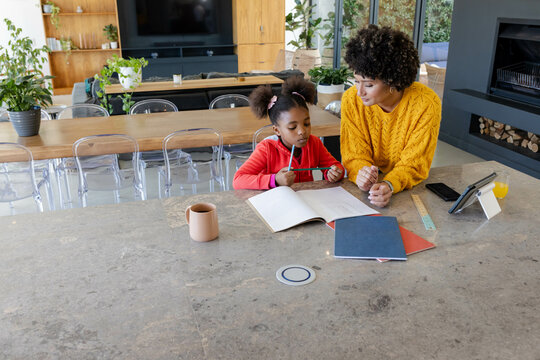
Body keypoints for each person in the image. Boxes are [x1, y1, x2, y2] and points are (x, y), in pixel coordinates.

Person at [340, 25, 442, 207]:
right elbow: (354, 155)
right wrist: (362, 174)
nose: (359, 92)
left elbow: (414, 163)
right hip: (366, 194)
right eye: (356, 81)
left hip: (407, 190)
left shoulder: (425, 103)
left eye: (368, 85)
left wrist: (389, 184)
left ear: (393, 81)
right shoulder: (351, 101)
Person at [233, 77, 344, 190]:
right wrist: (274, 179)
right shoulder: (266, 149)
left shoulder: (314, 143)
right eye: (292, 127)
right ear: (277, 130)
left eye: (306, 124)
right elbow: (238, 180)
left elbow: (335, 166)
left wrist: (334, 173)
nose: (302, 131)